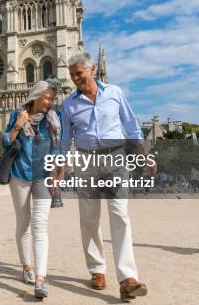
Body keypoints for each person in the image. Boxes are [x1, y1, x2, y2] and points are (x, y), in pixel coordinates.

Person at [61, 51, 156, 301]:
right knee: (90, 218)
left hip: (115, 158)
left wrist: (144, 153)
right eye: (71, 76)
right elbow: (64, 139)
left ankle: (127, 278)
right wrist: (60, 166)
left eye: (78, 74)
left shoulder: (114, 93)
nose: (75, 80)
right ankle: (96, 269)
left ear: (92, 70)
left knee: (120, 214)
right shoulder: (69, 104)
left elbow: (131, 124)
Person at [2, 80, 63, 299]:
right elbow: (6, 142)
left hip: (43, 176)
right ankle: (26, 266)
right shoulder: (17, 114)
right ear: (36, 96)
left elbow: (58, 149)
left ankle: (41, 277)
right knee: (23, 223)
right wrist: (18, 125)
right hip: (19, 175)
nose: (51, 102)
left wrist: (58, 173)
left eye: (52, 99)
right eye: (48, 98)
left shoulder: (54, 119)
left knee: (40, 225)